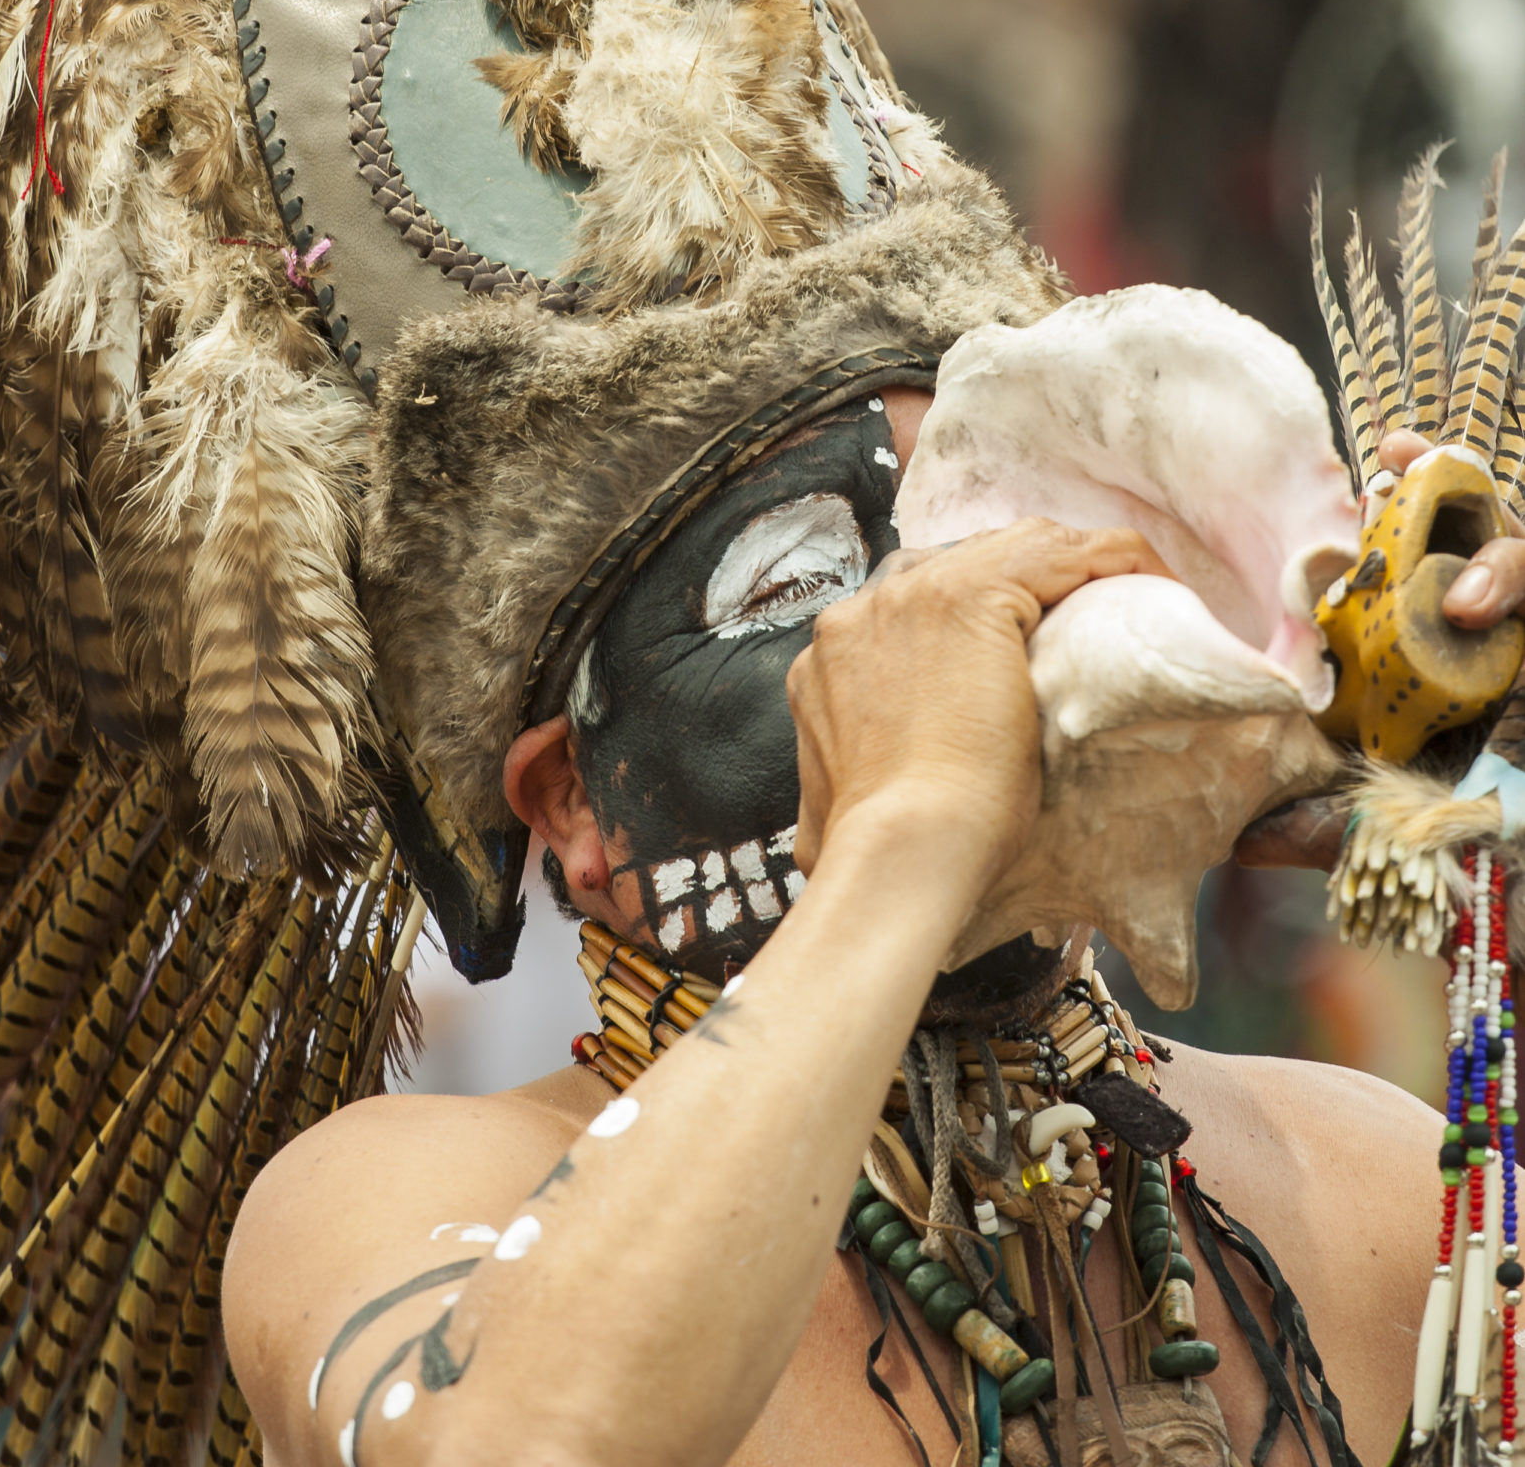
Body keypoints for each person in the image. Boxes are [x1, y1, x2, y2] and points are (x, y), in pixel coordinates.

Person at [224, 409, 1525, 1467]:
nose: (966, 635)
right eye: (799, 585)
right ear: (575, 804)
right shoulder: (386, 1200)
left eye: (990, 543)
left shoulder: (1381, 1185)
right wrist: (908, 830)